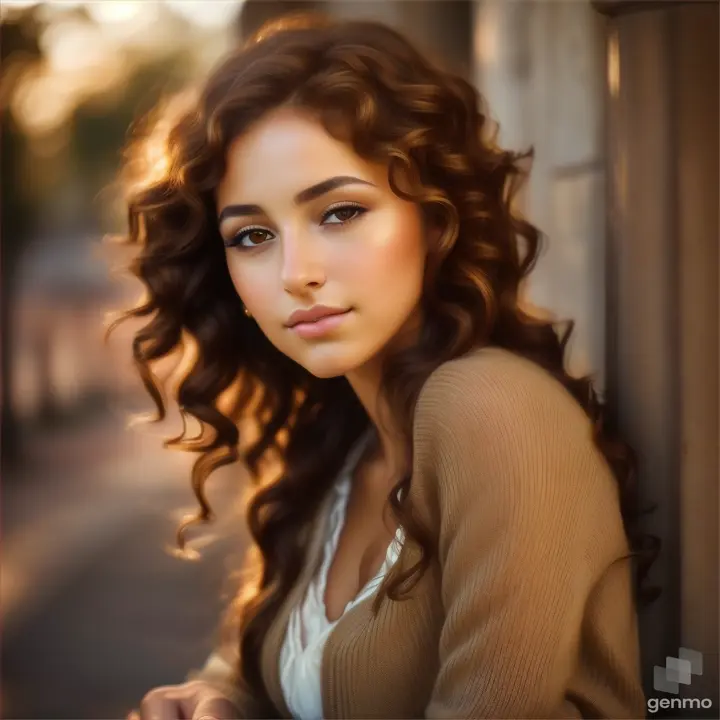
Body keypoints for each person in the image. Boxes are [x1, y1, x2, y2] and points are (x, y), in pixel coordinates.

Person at [112, 12, 659, 720]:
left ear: (436, 220)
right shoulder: (340, 449)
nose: (295, 273)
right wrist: (214, 700)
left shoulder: (491, 407)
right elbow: (259, 672)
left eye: (339, 212)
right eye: (252, 236)